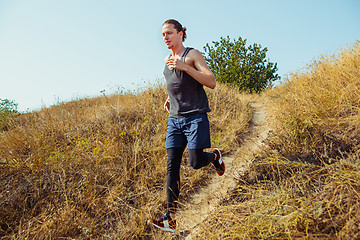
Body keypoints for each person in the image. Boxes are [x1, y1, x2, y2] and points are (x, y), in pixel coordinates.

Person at [147, 19, 225, 233]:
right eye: (163, 34)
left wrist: (184, 67)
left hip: (195, 117)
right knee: (171, 165)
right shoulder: (166, 60)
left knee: (195, 162)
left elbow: (211, 81)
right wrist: (169, 97)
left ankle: (214, 157)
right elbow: (176, 83)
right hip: (174, 120)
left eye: (170, 33)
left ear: (181, 34)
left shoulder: (192, 55)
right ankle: (169, 219)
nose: (165, 37)